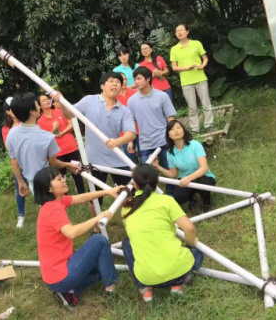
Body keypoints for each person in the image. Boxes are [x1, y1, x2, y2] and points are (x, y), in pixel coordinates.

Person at [55, 72, 136, 233]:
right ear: (102, 86)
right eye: (111, 81)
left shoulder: (124, 110)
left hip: (117, 161)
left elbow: (131, 133)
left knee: (129, 194)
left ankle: (134, 225)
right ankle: (96, 230)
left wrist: (118, 141)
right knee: (95, 198)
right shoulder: (89, 101)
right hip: (94, 161)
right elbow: (69, 114)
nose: (114, 85)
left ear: (121, 87)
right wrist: (62, 102)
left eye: (118, 83)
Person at [34, 167, 120, 307]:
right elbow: (71, 232)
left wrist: (108, 191)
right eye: (59, 179)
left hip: (56, 276)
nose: (64, 180)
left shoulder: (56, 201)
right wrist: (98, 217)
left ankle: (69, 290)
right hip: (60, 276)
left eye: (62, 177)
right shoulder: (52, 209)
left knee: (102, 267)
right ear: (49, 189)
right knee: (99, 240)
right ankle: (110, 289)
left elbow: (81, 197)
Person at [121, 164, 204, 303]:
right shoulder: (166, 200)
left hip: (147, 278)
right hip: (179, 273)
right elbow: (189, 229)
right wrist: (190, 244)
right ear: (157, 182)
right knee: (197, 252)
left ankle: (144, 289)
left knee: (127, 242)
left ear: (134, 184)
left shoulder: (126, 208)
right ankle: (178, 284)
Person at [6, 92, 79, 198]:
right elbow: (54, 163)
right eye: (37, 104)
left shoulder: (11, 134)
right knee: (56, 211)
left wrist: (21, 182)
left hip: (32, 183)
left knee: (45, 210)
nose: (39, 107)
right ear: (32, 111)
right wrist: (68, 165)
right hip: (49, 183)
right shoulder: (47, 137)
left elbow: (14, 162)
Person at [127, 67, 176, 193]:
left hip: (163, 140)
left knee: (169, 169)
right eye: (134, 79)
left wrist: (172, 136)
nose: (136, 82)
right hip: (145, 143)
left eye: (139, 78)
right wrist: (130, 141)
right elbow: (131, 123)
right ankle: (151, 197)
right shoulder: (131, 101)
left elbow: (170, 118)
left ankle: (170, 195)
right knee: (145, 174)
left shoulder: (162, 96)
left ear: (148, 79)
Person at [153, 120, 216, 211]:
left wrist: (189, 178)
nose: (176, 131)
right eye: (172, 129)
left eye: (178, 128)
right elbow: (173, 174)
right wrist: (157, 166)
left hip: (203, 176)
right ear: (168, 135)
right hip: (185, 180)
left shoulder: (195, 145)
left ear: (183, 130)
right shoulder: (170, 153)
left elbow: (204, 168)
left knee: (204, 183)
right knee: (178, 197)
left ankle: (207, 203)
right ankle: (192, 199)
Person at [37, 94, 86, 194]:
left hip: (71, 147)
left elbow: (71, 124)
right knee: (60, 176)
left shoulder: (59, 111)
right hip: (57, 152)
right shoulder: (40, 122)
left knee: (76, 171)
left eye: (47, 99)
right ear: (39, 106)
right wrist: (54, 130)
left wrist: (63, 132)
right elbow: (43, 139)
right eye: (43, 100)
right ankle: (64, 196)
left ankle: (82, 194)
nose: (47, 101)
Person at [170, 24, 213, 133]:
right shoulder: (174, 49)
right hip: (186, 81)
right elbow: (174, 67)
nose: (179, 32)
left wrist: (203, 65)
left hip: (200, 78)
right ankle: (195, 128)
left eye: (181, 30)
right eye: (177, 31)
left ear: (187, 31)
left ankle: (209, 125)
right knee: (192, 107)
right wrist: (186, 68)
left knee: (206, 103)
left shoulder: (196, 43)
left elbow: (205, 58)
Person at [1, 97, 27, 228]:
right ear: (8, 112)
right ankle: (21, 216)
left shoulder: (27, 122)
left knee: (40, 186)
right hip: (18, 164)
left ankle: (45, 209)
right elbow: (8, 147)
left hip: (31, 160)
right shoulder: (7, 129)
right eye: (12, 108)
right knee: (20, 189)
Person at [116, 73, 138, 163]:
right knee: (131, 161)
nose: (124, 81)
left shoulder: (135, 93)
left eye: (125, 79)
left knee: (147, 159)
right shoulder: (113, 98)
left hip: (140, 130)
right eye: (121, 80)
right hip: (124, 133)